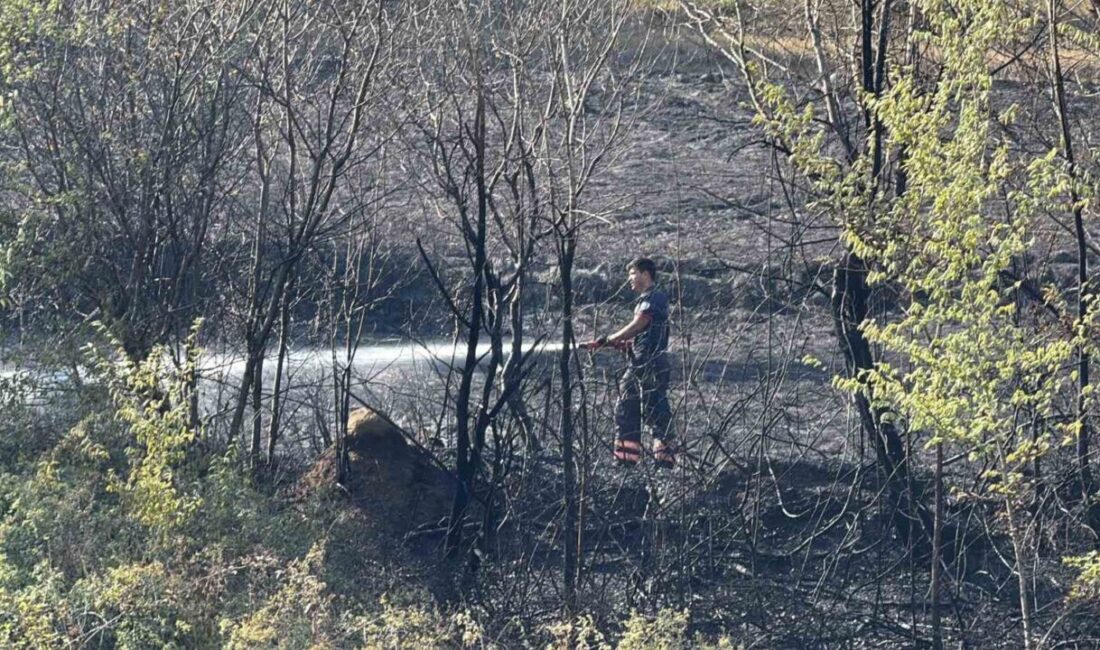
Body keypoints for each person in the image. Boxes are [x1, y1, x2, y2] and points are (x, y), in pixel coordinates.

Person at [582, 258, 676, 468]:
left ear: (645, 274)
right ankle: (641, 461)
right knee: (649, 409)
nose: (629, 279)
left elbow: (639, 324)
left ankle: (643, 462)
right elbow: (647, 334)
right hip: (647, 361)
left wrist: (610, 339)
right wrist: (623, 345)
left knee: (636, 408)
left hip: (648, 363)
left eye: (632, 273)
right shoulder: (650, 298)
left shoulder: (654, 297)